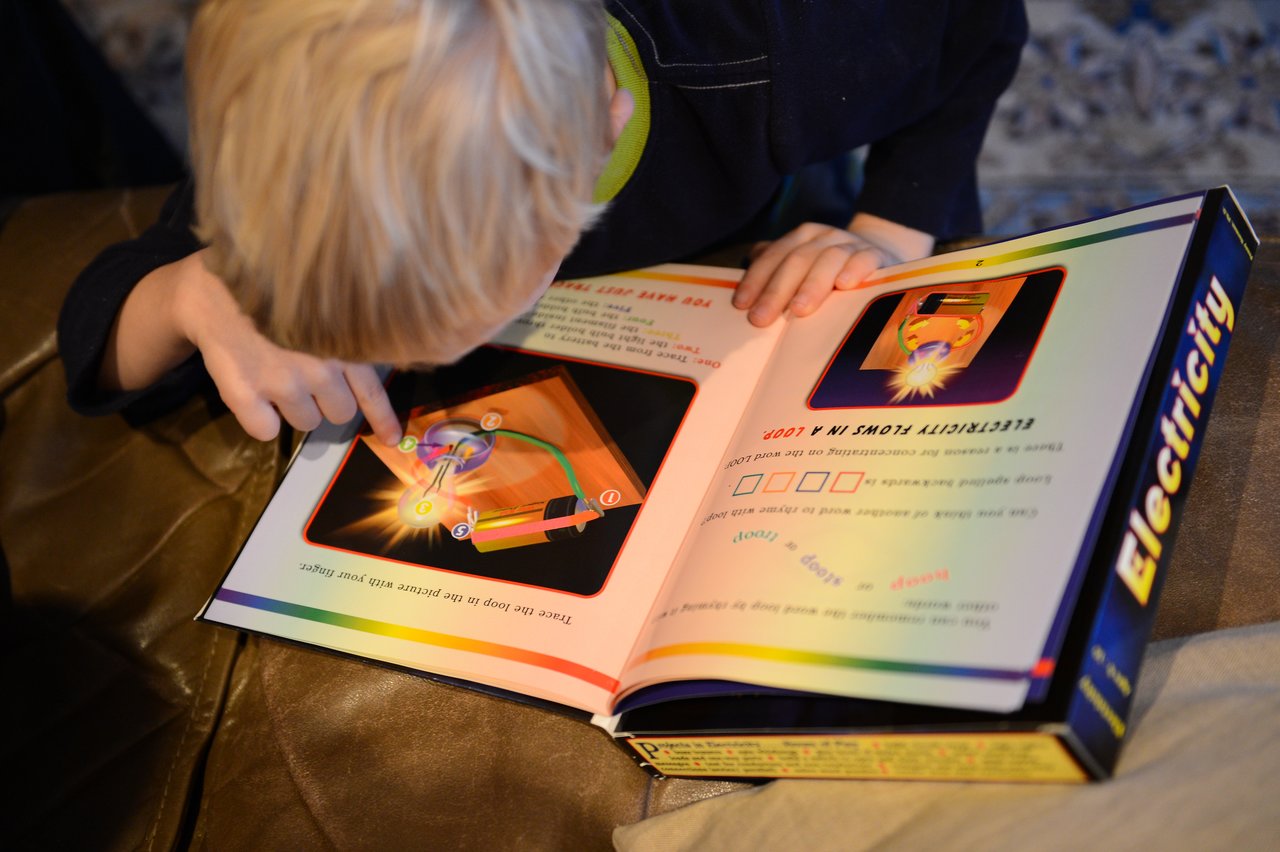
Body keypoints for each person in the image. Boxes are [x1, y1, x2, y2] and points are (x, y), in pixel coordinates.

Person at [58, 0, 1028, 446]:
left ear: (604, 129)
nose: (433, 368)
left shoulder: (777, 61)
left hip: (771, 173)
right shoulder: (294, 174)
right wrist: (187, 295)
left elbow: (975, 31)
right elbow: (92, 337)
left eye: (468, 324)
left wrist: (893, 227)